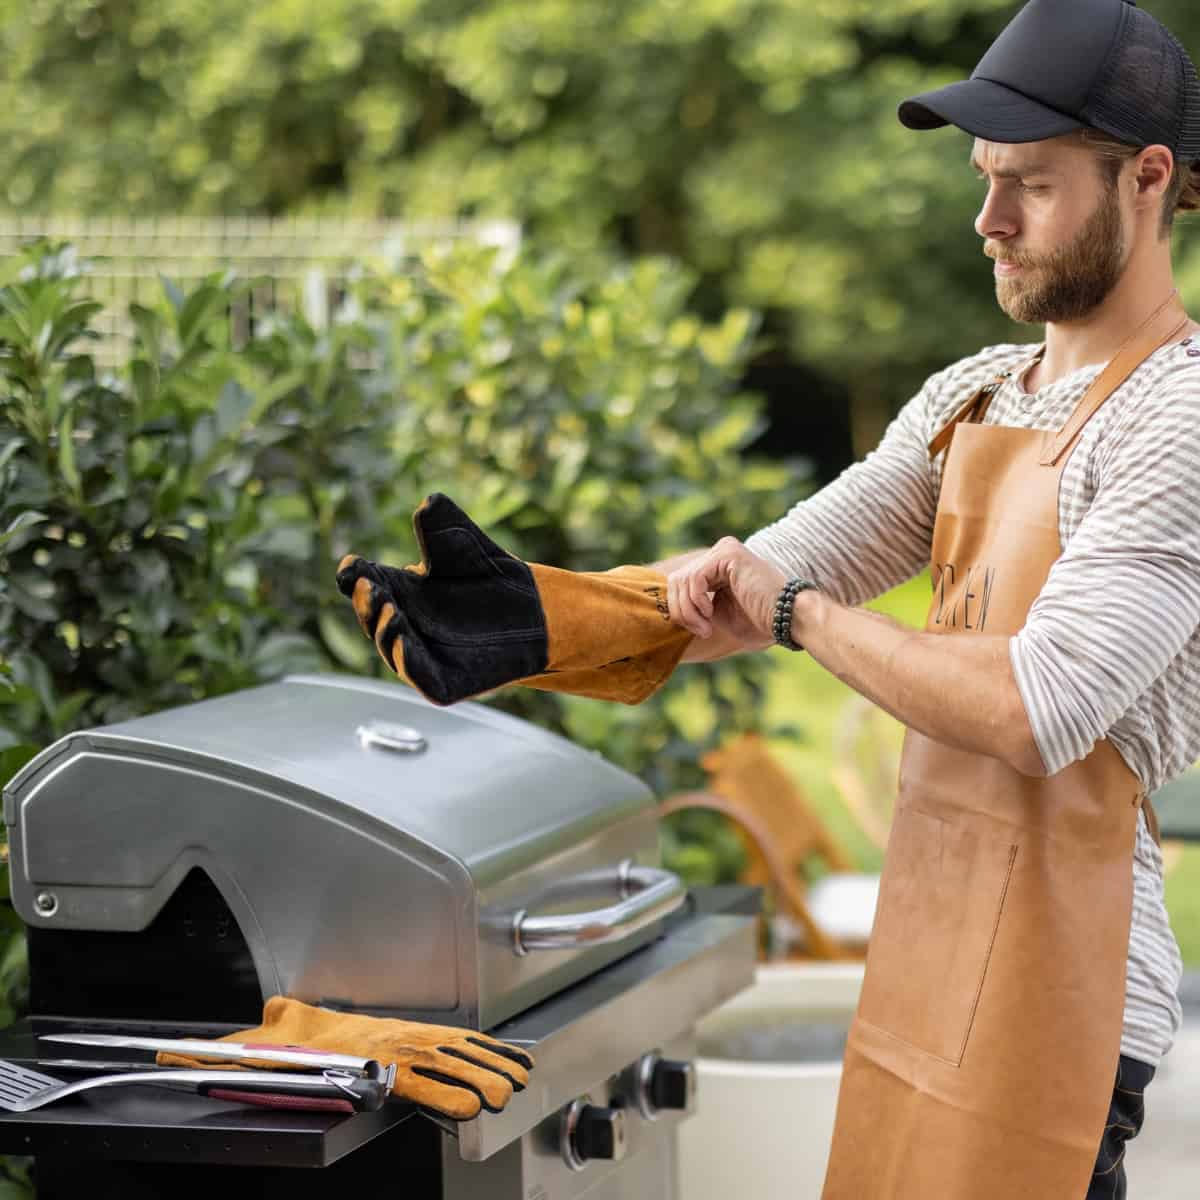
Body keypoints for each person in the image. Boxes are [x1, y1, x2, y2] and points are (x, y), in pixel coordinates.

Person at [662, 1, 1198, 1196]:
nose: (987, 221)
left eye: (1032, 186)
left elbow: (1035, 705)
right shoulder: (974, 395)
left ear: (1148, 178)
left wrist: (795, 611)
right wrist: (534, 623)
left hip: (1073, 989)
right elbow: (741, 583)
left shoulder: (1182, 416)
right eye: (982, 179)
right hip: (934, 945)